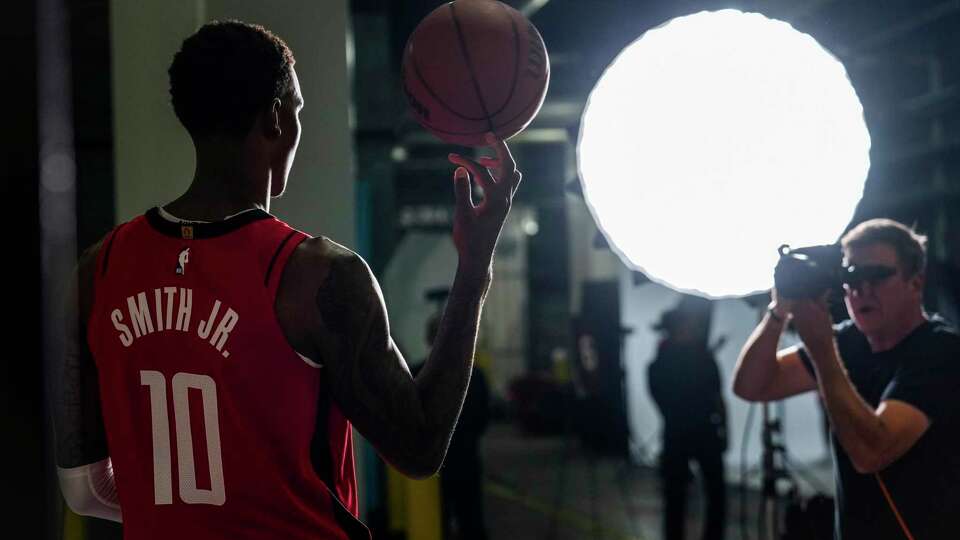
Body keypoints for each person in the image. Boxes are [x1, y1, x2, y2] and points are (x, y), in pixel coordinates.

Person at [52, 20, 522, 539]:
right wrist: (475, 268)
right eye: (297, 111)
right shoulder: (316, 276)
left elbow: (84, 489)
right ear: (276, 119)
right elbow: (421, 446)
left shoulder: (99, 270)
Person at [732, 218, 960, 539]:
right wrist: (779, 309)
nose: (861, 289)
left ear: (916, 282)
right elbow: (752, 385)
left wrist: (823, 351)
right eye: (851, 276)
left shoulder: (941, 351)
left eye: (877, 275)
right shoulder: (848, 341)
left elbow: (871, 453)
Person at [648, 304, 727, 540]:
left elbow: (659, 398)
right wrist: (724, 429)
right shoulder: (703, 359)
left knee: (676, 497)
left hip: (677, 432)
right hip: (700, 431)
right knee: (712, 494)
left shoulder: (658, 364)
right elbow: (717, 397)